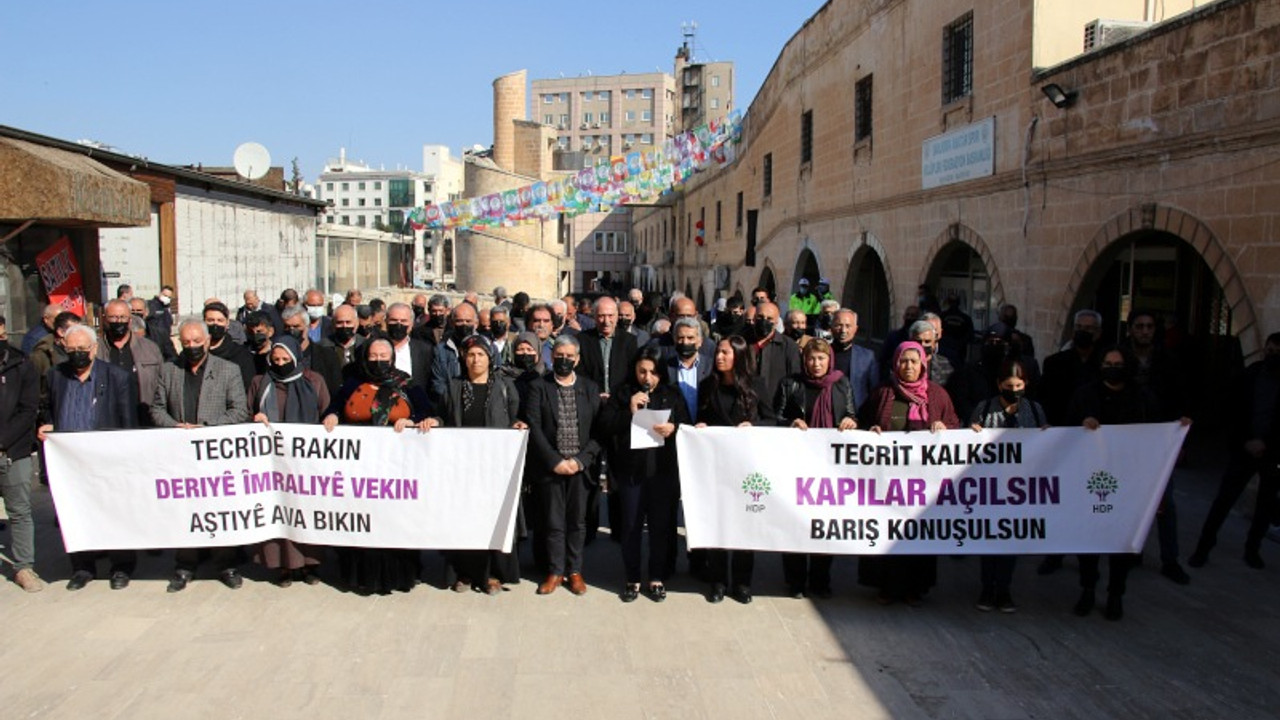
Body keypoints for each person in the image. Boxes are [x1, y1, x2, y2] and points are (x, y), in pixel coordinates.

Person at [1068, 347, 1188, 620]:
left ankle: (1115, 594)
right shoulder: (1085, 394)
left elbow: (1157, 435)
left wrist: (1177, 429)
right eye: (1108, 362)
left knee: (1120, 541)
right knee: (1088, 539)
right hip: (1090, 475)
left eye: (1118, 363)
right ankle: (1087, 588)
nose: (1113, 367)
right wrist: (1081, 424)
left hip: (1129, 479)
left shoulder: (1143, 397)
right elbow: (1067, 430)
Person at [322, 338, 435, 594]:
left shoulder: (407, 383)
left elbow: (427, 413)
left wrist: (412, 421)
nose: (379, 360)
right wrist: (332, 415)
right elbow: (335, 407)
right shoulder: (352, 382)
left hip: (396, 470)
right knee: (362, 522)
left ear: (392, 357)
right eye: (373, 356)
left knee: (394, 522)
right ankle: (359, 575)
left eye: (384, 355)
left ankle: (400, 575)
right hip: (359, 470)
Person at [152, 320, 251, 592]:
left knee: (219, 510)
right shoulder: (169, 370)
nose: (192, 347)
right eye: (187, 343)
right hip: (181, 456)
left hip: (216, 455)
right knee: (185, 511)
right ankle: (185, 565)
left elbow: (239, 410)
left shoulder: (228, 370)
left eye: (197, 341)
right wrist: (175, 427)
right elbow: (157, 408)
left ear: (207, 341)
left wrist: (208, 431)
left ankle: (225, 564)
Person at [38, 324, 139, 590]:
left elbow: (128, 421)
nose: (78, 354)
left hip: (108, 463)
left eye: (83, 349)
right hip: (70, 465)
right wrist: (47, 424)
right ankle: (82, 568)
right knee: (75, 515)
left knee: (115, 513)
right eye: (72, 349)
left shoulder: (117, 376)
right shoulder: (55, 375)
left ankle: (121, 566)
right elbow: (47, 409)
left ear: (94, 349)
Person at [861, 341, 960, 605]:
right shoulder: (883, 393)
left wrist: (944, 429)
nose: (908, 367)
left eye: (914, 362)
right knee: (887, 534)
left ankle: (915, 588)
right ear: (895, 364)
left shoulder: (937, 395)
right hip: (886, 483)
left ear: (923, 365)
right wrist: (871, 432)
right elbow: (863, 422)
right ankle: (886, 587)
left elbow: (954, 425)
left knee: (917, 535)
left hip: (922, 486)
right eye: (903, 361)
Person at [600, 347, 692, 602]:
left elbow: (687, 424)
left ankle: (656, 577)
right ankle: (632, 578)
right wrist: (628, 411)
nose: (647, 377)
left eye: (652, 372)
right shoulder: (623, 393)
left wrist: (674, 428)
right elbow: (605, 425)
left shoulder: (672, 394)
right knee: (630, 527)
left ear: (660, 373)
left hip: (662, 473)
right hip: (631, 473)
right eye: (642, 371)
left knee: (661, 528)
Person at [439, 334, 526, 594]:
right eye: (470, 355)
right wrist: (434, 422)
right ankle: (465, 573)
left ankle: (491, 574)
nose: (475, 359)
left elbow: (513, 417)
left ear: (490, 358)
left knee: (491, 521)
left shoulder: (504, 386)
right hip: (461, 468)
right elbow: (444, 418)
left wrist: (517, 426)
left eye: (481, 354)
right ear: (463, 359)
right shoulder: (453, 387)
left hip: (493, 469)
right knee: (464, 520)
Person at [774, 338, 858, 598]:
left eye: (821, 358)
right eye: (811, 358)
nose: (816, 363)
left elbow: (853, 414)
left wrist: (850, 421)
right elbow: (774, 416)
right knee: (795, 524)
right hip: (796, 466)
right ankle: (796, 581)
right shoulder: (790, 383)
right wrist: (790, 422)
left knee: (824, 527)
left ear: (829, 359)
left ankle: (820, 581)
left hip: (828, 468)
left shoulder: (841, 384)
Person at [1190, 332, 1280, 570]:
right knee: (1223, 501)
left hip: (1271, 453)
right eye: (1270, 350)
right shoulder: (1249, 376)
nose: (1272, 355)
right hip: (1244, 449)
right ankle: (1203, 548)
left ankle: (1253, 549)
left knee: (1265, 505)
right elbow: (1232, 411)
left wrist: (1267, 444)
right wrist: (1246, 441)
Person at [247, 336, 330, 586]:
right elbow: (247, 411)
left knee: (305, 511)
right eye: (276, 359)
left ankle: (310, 565)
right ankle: (283, 567)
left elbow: (326, 410)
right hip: (272, 464)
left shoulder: (313, 381)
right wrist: (256, 416)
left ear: (295, 358)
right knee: (279, 512)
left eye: (286, 359)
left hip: (305, 463)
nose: (281, 363)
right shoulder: (260, 382)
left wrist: (330, 420)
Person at [697, 335, 774, 604]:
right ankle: (718, 581)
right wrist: (701, 427)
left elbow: (772, 419)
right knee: (719, 524)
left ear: (738, 356)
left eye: (725, 353)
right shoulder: (708, 386)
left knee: (744, 525)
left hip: (747, 467)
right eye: (718, 352)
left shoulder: (756, 386)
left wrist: (754, 427)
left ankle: (742, 582)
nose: (719, 357)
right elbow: (701, 417)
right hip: (717, 466)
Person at [524, 335, 603, 596]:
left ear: (578, 359)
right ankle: (556, 571)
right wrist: (555, 461)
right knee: (553, 522)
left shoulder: (590, 388)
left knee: (577, 523)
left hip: (580, 468)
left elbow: (598, 431)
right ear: (551, 356)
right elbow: (534, 427)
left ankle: (575, 571)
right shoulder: (539, 386)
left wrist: (581, 460)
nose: (564, 360)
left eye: (570, 356)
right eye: (559, 355)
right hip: (551, 468)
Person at [968, 359, 1048, 613]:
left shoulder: (1034, 411)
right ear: (998, 385)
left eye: (1018, 385)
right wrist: (972, 432)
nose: (1013, 390)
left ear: (1025, 385)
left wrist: (1049, 436)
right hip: (989, 489)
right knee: (989, 540)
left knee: (1009, 541)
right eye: (1008, 385)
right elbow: (965, 447)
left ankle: (1004, 589)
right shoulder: (984, 409)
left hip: (1019, 491)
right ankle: (987, 587)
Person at [0, 316, 43, 591]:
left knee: (19, 511)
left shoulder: (21, 364)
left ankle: (24, 567)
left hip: (13, 451)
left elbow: (28, 410)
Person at [98, 299, 164, 423]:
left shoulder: (150, 348)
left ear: (130, 319)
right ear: (105, 318)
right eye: (113, 317)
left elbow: (161, 386)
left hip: (144, 420)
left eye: (123, 317)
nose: (118, 321)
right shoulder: (95, 349)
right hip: (107, 423)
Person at [748, 302, 799, 416]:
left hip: (776, 410)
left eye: (769, 318)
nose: (764, 321)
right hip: (747, 409)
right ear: (754, 318)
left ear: (776, 322)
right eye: (760, 317)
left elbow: (794, 380)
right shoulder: (743, 342)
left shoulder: (789, 346)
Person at [281, 305, 342, 398]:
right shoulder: (276, 358)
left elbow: (335, 390)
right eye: (287, 327)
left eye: (296, 326)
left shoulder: (327, 356)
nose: (292, 331)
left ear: (307, 326)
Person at [829, 309, 879, 413]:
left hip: (857, 416)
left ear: (855, 329)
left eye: (848, 326)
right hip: (827, 412)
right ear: (831, 327)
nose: (843, 330)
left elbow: (874, 391)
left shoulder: (867, 357)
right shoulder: (822, 354)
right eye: (839, 325)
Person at [429, 302, 478, 403]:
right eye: (459, 321)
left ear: (476, 323)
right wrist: (455, 400)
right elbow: (438, 382)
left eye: (468, 321)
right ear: (451, 323)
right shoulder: (441, 349)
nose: (464, 324)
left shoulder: (488, 348)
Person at [203, 302, 255, 391]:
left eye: (220, 320)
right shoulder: (196, 353)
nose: (215, 324)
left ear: (227, 323)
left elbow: (247, 387)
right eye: (211, 320)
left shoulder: (241, 355)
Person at [146, 285, 177, 360]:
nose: (167, 298)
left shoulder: (167, 308)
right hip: (154, 340)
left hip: (165, 340)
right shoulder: (151, 305)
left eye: (169, 297)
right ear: (160, 293)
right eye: (165, 295)